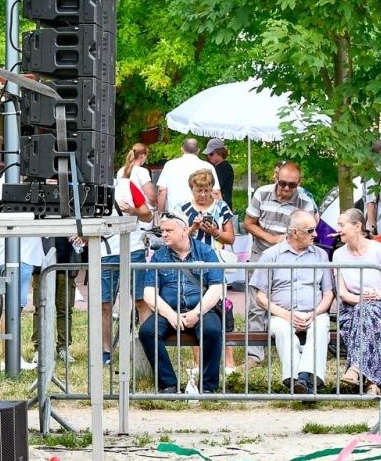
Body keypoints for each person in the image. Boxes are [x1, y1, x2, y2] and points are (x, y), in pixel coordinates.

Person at [141, 210, 225, 393]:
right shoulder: (159, 256)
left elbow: (216, 288)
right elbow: (149, 292)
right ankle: (168, 384)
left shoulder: (206, 252)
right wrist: (170, 314)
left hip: (201, 309)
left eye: (168, 230)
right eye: (162, 231)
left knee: (212, 330)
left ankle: (208, 387)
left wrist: (196, 313)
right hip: (169, 309)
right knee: (147, 331)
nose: (163, 235)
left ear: (184, 230)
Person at [251, 210, 334, 393]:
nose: (316, 234)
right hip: (281, 314)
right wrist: (288, 315)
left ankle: (301, 379)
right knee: (282, 330)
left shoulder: (321, 255)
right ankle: (300, 380)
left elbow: (328, 294)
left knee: (321, 327)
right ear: (295, 232)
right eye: (310, 230)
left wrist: (314, 313)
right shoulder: (271, 255)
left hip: (315, 312)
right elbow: (260, 297)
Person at [97, 143, 157, 365]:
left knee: (141, 299)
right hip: (104, 251)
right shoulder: (90, 189)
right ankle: (105, 351)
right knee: (104, 303)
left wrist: (131, 210)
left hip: (132, 248)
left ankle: (147, 349)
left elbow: (147, 215)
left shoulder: (126, 185)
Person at [331, 208, 381, 390]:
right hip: (350, 309)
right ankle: (373, 382)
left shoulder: (379, 250)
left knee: (368, 314)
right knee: (364, 313)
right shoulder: (338, 254)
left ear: (357, 226)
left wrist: (376, 296)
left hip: (379, 307)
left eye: (342, 225)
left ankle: (356, 368)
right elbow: (342, 293)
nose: (339, 229)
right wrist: (360, 300)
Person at [182, 167, 238, 374]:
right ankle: (198, 361)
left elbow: (230, 238)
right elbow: (179, 237)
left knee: (223, 309)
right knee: (194, 309)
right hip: (190, 265)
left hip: (215, 263)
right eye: (199, 190)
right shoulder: (183, 208)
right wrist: (193, 229)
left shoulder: (222, 207)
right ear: (192, 189)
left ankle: (229, 361)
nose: (203, 194)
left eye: (206, 190)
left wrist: (215, 232)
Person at [242, 161, 316, 256]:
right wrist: (272, 239)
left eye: (292, 185)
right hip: (261, 253)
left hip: (291, 256)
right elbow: (248, 224)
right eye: (283, 183)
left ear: (299, 182)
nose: (286, 188)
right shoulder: (261, 193)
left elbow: (310, 232)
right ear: (277, 178)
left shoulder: (305, 202)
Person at [156, 137, 206, 215]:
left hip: (176, 215)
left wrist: (160, 213)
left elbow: (162, 190)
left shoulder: (170, 165)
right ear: (198, 150)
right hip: (201, 215)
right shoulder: (207, 166)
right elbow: (215, 192)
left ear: (182, 149)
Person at [204, 138, 235, 207]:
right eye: (208, 154)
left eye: (211, 154)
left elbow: (214, 186)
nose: (208, 156)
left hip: (222, 206)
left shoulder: (224, 167)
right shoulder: (218, 167)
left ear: (219, 152)